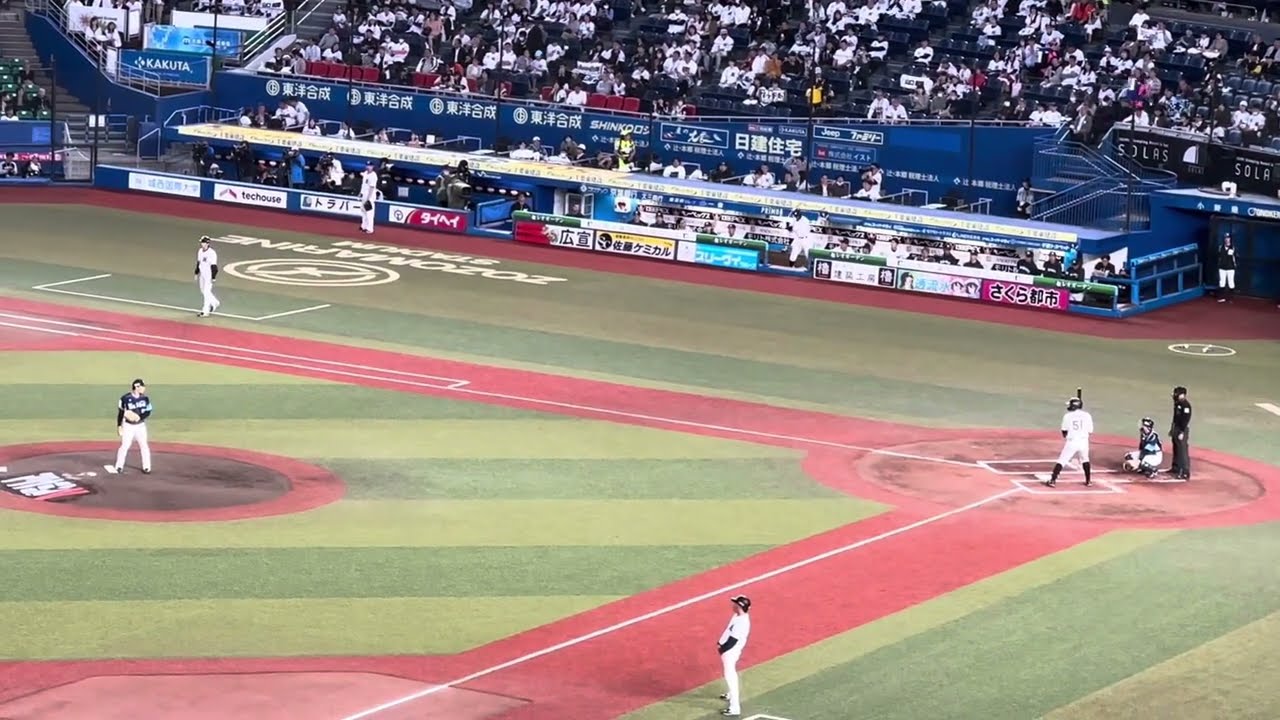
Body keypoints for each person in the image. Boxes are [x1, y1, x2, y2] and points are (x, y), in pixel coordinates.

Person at [1044, 396, 1093, 488]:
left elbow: (1064, 431)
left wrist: (1068, 436)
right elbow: (1090, 431)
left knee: (1062, 460)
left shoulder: (1067, 416)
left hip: (1072, 441)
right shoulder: (1087, 415)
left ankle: (1053, 480)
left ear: (1073, 406)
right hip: (1084, 442)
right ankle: (1088, 481)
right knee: (1085, 459)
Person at [106, 378, 152, 475]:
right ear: (136, 387)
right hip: (128, 426)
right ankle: (119, 466)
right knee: (125, 445)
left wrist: (139, 417)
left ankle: (146, 466)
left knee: (144, 445)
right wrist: (119, 425)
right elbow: (121, 413)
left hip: (141, 426)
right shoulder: (125, 399)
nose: (144, 388)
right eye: (142, 386)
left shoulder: (145, 398)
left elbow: (148, 411)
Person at [717, 594, 751, 717]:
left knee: (730, 677)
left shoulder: (742, 622)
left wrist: (722, 649)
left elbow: (732, 641)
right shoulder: (738, 616)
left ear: (739, 606)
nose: (733, 605)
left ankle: (735, 707)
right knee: (730, 674)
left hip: (730, 652)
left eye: (735, 603)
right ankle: (730, 694)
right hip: (730, 651)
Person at [1170, 386, 1192, 480]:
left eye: (1177, 394)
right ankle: (1176, 467)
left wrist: (1182, 432)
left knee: (1182, 451)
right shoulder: (1177, 403)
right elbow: (1175, 418)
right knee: (1175, 447)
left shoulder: (1186, 406)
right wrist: (1172, 429)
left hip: (1182, 429)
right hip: (1176, 428)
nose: (1175, 395)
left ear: (1183, 395)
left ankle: (1185, 471)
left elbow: (1186, 420)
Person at [195, 236, 220, 317]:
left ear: (207, 243)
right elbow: (198, 262)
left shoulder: (212, 253)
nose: (202, 244)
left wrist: (213, 277)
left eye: (203, 242)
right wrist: (196, 273)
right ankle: (215, 302)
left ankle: (205, 311)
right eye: (201, 242)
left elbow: (214, 267)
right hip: (202, 274)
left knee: (206, 292)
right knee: (203, 291)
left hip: (209, 276)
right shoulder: (200, 251)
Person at [359, 162, 379, 233]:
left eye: (370, 166)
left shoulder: (373, 176)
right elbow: (363, 185)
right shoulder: (365, 173)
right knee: (363, 211)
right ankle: (363, 226)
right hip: (364, 195)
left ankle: (370, 228)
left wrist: (368, 198)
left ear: (373, 167)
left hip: (370, 196)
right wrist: (361, 193)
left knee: (369, 212)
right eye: (367, 165)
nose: (368, 167)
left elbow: (372, 187)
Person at [1217, 233, 1236, 303]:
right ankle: (1222, 298)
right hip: (1222, 268)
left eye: (1228, 238)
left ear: (1230, 239)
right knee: (1222, 282)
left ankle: (1230, 298)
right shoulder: (1220, 247)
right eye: (1226, 238)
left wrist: (1234, 265)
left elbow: (1234, 258)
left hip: (1230, 268)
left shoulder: (1233, 247)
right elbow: (1219, 256)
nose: (1227, 239)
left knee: (1231, 282)